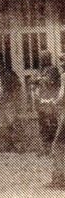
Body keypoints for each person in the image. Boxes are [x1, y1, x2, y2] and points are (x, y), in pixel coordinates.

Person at [40, 53, 65, 189]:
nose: (60, 64)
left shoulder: (64, 76)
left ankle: (59, 180)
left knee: (58, 146)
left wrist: (52, 102)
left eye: (63, 61)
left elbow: (62, 96)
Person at [32, 50, 61, 154]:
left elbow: (49, 81)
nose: (42, 59)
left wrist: (38, 80)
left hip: (50, 101)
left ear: (48, 58)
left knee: (52, 124)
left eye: (44, 57)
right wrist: (37, 80)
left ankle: (54, 149)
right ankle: (44, 149)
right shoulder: (39, 70)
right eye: (41, 57)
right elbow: (33, 81)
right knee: (42, 125)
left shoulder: (53, 69)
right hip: (40, 101)